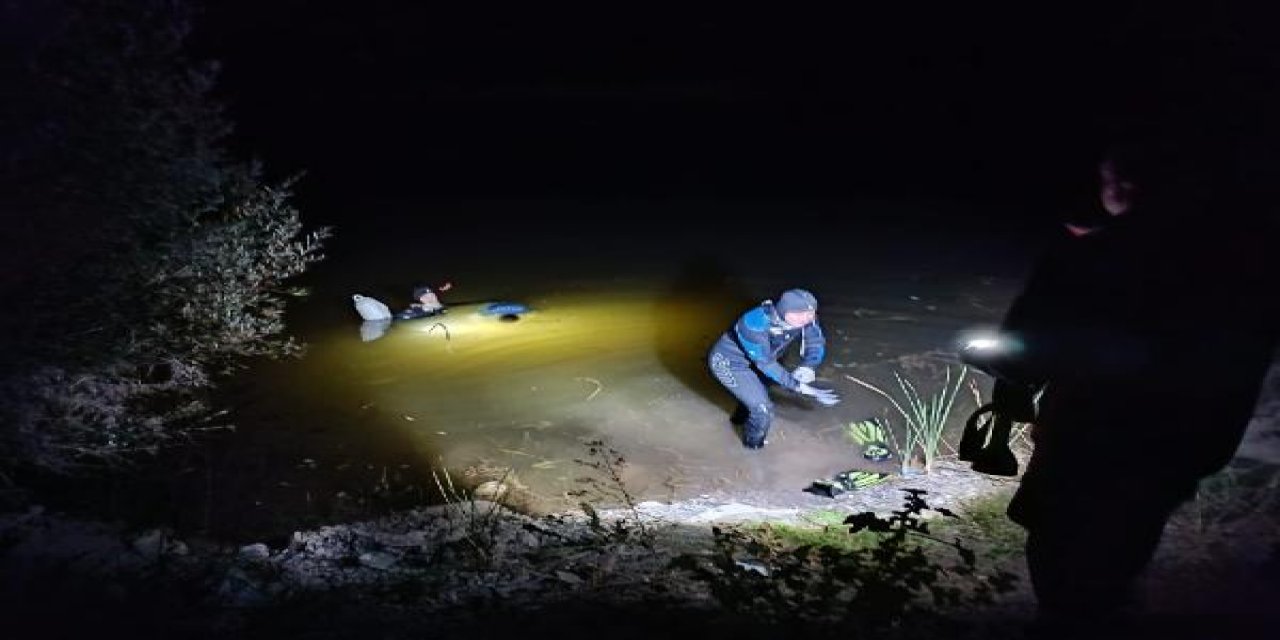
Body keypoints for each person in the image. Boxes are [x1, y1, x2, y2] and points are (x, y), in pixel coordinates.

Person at [969, 138, 1278, 637]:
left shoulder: (1096, 258)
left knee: (1062, 557)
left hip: (1089, 441)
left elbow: (1028, 354)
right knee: (1123, 550)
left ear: (1121, 187)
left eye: (1108, 182)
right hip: (1184, 447)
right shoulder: (1247, 268)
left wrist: (997, 355)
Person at [708, 288, 841, 449]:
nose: (806, 319)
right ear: (783, 311)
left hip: (767, 358)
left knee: (755, 396)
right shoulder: (754, 323)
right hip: (730, 363)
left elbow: (815, 342)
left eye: (810, 313)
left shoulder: (806, 318)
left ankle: (738, 421)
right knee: (763, 409)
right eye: (799, 314)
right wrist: (799, 387)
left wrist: (809, 366)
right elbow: (765, 364)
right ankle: (752, 449)